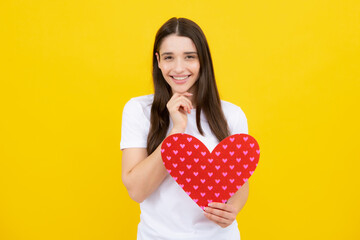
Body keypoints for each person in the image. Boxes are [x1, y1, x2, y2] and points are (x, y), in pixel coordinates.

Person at [120, 17, 249, 240]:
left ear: (202, 61)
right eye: (169, 57)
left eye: (189, 57)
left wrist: (233, 209)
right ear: (158, 61)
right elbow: (137, 191)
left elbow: (240, 184)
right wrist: (176, 131)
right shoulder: (138, 110)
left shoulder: (231, 115)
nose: (179, 68)